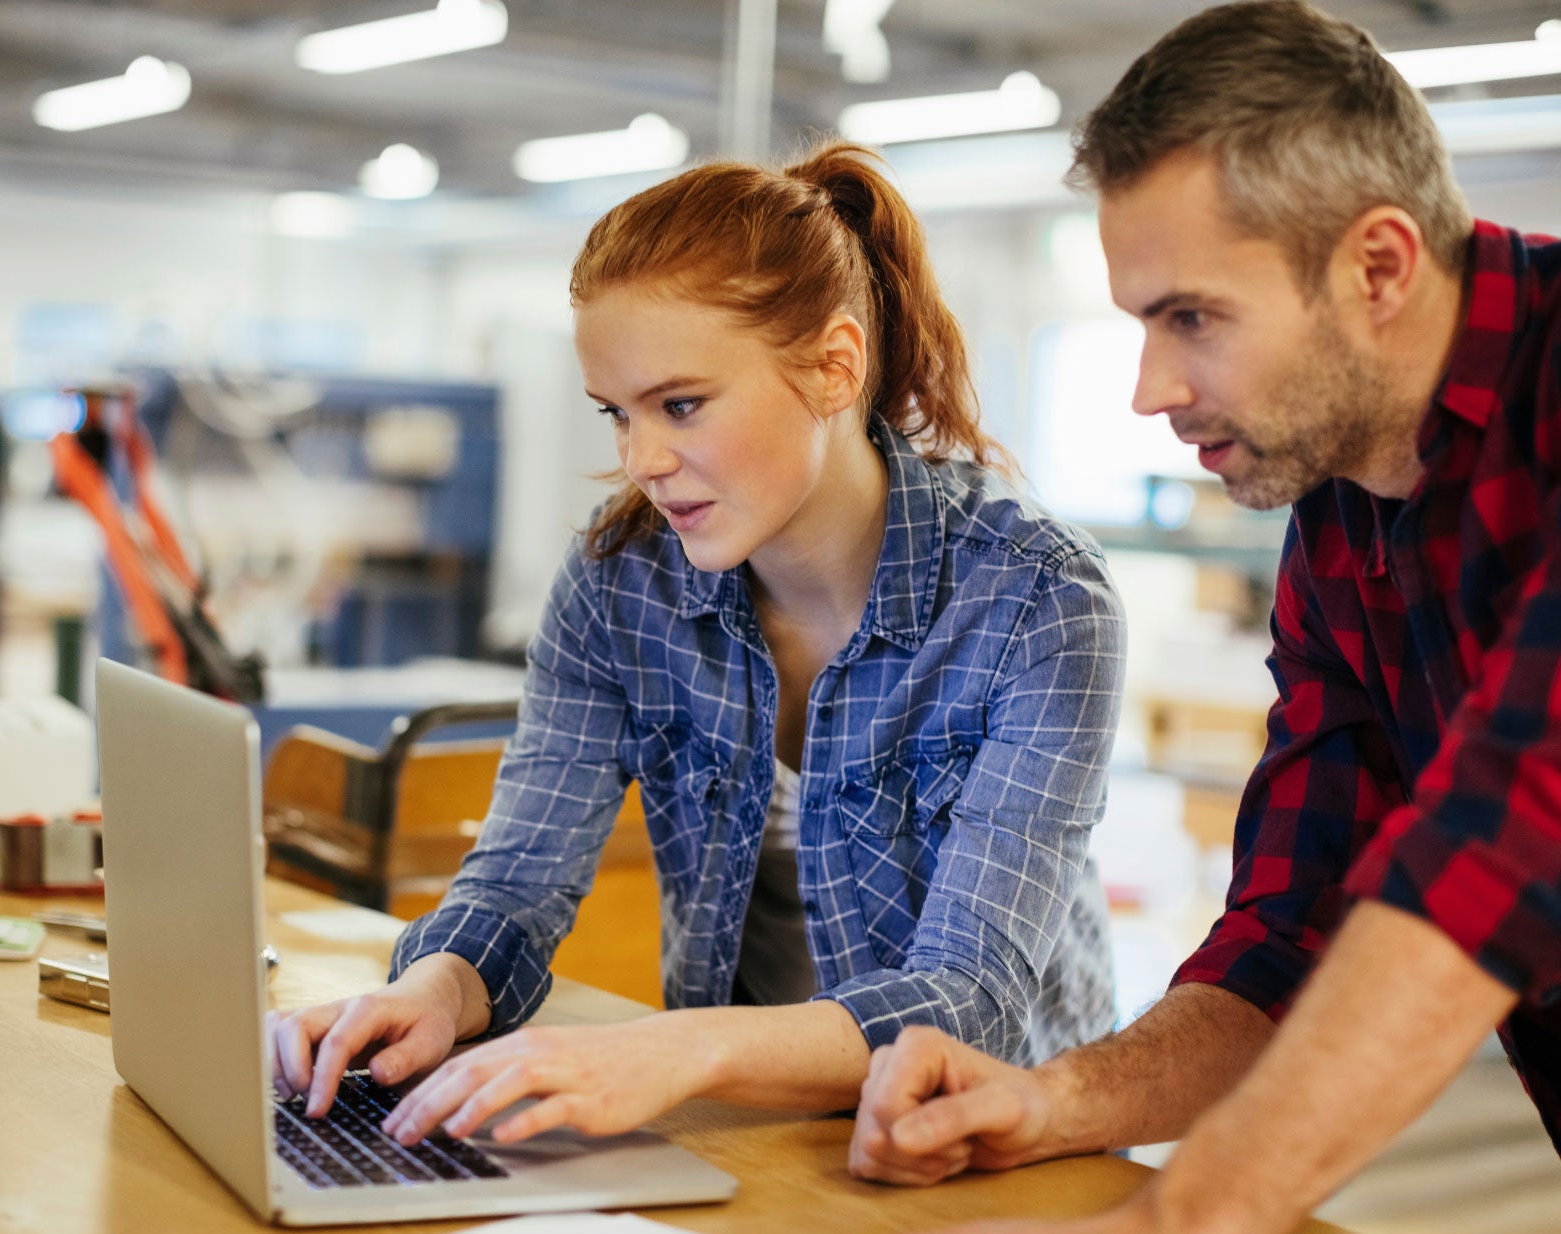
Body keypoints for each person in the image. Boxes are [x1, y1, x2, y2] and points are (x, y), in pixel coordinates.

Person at [843, 3, 1561, 1234]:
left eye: (1193, 318)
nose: (1151, 389)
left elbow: (1533, 821)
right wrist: (1058, 1098)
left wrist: (1189, 1222)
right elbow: (1293, 930)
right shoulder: (1341, 524)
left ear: (1378, 267)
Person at [268, 141, 1127, 1148]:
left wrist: (673, 1050)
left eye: (681, 405)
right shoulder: (617, 579)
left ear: (834, 365)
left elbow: (970, 996)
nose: (643, 461)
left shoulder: (1036, 601)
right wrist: (436, 987)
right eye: (618, 414)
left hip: (987, 1145)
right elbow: (515, 882)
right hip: (749, 1126)